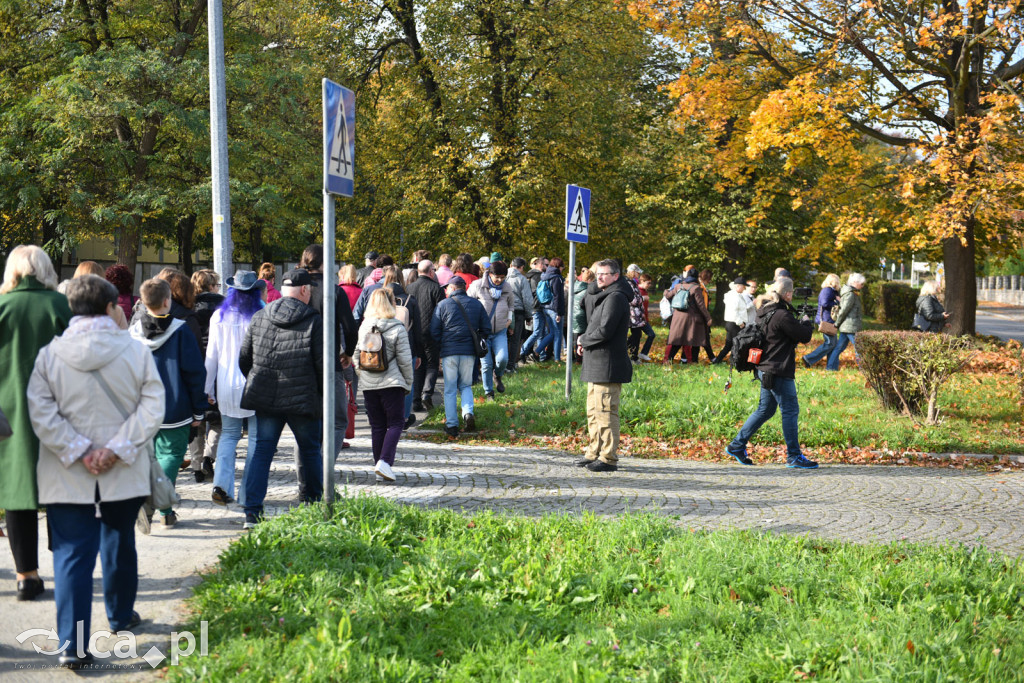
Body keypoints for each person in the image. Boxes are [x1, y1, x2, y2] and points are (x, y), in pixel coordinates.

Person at [27, 275, 164, 669]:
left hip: (66, 470)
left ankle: (72, 643)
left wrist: (79, 450)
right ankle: (120, 615)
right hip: (123, 468)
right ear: (110, 307)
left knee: (71, 553)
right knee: (119, 537)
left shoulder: (49, 355)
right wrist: (117, 450)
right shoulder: (135, 352)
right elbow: (152, 406)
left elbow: (40, 410)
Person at [0, 245, 72, 601]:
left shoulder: (1, 307)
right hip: (58, 410)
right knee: (61, 491)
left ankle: (26, 575)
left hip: (8, 413)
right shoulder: (59, 306)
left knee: (18, 493)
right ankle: (67, 567)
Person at [239, 268, 323, 529]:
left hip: (266, 397)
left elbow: (244, 359)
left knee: (261, 451)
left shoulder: (260, 316)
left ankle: (252, 512)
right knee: (310, 451)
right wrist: (319, 394)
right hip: (302, 398)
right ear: (305, 291)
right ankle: (314, 504)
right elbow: (322, 365)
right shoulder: (314, 320)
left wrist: (259, 380)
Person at [129, 278, 207, 527]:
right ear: (167, 301)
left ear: (142, 302)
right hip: (175, 406)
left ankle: (157, 506)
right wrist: (199, 410)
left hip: (140, 407)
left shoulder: (132, 332)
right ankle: (160, 505)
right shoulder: (181, 330)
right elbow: (195, 373)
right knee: (171, 455)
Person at [725, 278, 818, 469]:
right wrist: (807, 322)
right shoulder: (782, 315)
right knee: (790, 411)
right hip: (778, 370)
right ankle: (793, 456)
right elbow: (804, 336)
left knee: (765, 410)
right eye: (791, 293)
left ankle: (736, 445)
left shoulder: (764, 311)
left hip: (764, 369)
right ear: (788, 294)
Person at [205, 270, 266, 506]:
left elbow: (211, 356)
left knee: (229, 435)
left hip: (227, 384)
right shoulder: (260, 314)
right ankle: (247, 493)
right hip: (254, 382)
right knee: (256, 441)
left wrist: (207, 388)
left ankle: (221, 485)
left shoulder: (219, 316)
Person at [299, 244, 358, 484]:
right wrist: (349, 353)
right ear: (325, 262)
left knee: (306, 427)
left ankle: (305, 482)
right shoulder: (334, 291)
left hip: (301, 363)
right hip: (330, 361)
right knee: (337, 421)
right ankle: (322, 472)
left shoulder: (297, 288)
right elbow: (350, 327)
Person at [574, 260, 633, 473]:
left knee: (606, 413)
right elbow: (590, 307)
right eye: (597, 273)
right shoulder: (602, 294)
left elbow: (605, 330)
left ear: (616, 276)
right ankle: (594, 452)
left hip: (608, 363)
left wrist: (583, 341)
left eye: (605, 274)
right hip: (595, 361)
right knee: (593, 412)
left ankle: (608, 458)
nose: (599, 278)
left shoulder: (616, 298)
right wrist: (585, 341)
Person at [354, 288, 414, 482]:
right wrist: (408, 382)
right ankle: (385, 462)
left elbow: (356, 356)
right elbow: (405, 360)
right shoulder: (397, 328)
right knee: (396, 423)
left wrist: (362, 375)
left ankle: (379, 465)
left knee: (377, 426)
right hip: (392, 383)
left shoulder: (364, 327)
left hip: (369, 385)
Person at [431, 276, 489, 437]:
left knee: (449, 389)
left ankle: (451, 425)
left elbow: (434, 330)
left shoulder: (443, 305)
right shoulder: (476, 304)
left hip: (449, 352)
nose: (445, 290)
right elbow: (486, 328)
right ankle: (467, 413)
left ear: (452, 288)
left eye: (446, 288)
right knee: (465, 386)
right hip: (469, 352)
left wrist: (441, 347)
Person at [188, 269, 224, 483]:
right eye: (217, 285)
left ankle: (196, 465)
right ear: (212, 286)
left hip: (195, 364)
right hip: (218, 366)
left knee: (197, 419)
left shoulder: (189, 306)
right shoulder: (224, 305)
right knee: (219, 420)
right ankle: (210, 455)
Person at [468, 261, 514, 400]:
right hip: (482, 332)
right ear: (490, 274)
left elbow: (511, 306)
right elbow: (468, 304)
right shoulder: (477, 286)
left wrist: (510, 320)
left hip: (500, 330)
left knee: (503, 359)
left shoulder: (507, 288)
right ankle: (489, 392)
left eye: (502, 277)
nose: (499, 280)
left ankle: (498, 375)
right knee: (486, 364)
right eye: (497, 277)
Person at [406, 259, 445, 410]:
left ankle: (416, 401)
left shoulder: (409, 288)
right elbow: (442, 312)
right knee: (432, 364)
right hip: (431, 333)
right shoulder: (436, 288)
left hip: (413, 332)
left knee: (417, 365)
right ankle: (427, 393)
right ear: (431, 272)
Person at [662, 269, 711, 364]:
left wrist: (666, 291)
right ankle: (694, 361)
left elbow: (668, 295)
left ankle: (668, 360)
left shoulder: (678, 286)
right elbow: (701, 305)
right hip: (691, 318)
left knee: (678, 340)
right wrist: (708, 317)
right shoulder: (696, 288)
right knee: (696, 339)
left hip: (677, 317)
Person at [826, 272, 866, 371]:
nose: (862, 286)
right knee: (859, 348)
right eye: (861, 284)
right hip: (850, 327)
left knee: (839, 348)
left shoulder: (850, 293)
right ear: (855, 282)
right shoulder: (850, 295)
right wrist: (837, 324)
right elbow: (843, 311)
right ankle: (863, 369)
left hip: (847, 326)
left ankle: (830, 367)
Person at [801, 273, 842, 368]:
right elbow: (824, 303)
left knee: (833, 344)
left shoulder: (831, 291)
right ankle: (809, 358)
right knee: (830, 343)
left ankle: (832, 367)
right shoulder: (827, 290)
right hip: (826, 320)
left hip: (829, 319)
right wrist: (836, 302)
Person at [714, 277, 755, 364]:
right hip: (735, 324)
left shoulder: (735, 295)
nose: (744, 288)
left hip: (733, 323)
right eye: (743, 286)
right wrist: (740, 323)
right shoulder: (734, 297)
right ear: (738, 286)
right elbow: (734, 312)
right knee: (735, 344)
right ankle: (733, 361)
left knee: (730, 344)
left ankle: (721, 361)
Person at [519, 256, 549, 363]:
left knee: (541, 332)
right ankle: (523, 351)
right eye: (544, 264)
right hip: (538, 307)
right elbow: (539, 294)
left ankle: (541, 355)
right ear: (538, 264)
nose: (546, 266)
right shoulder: (538, 277)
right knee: (537, 332)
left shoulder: (528, 276)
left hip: (534, 307)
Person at [505, 257, 531, 373]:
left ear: (511, 265)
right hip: (518, 311)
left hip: (504, 310)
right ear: (521, 267)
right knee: (516, 339)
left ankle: (502, 364)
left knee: (504, 339)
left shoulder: (503, 276)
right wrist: (528, 315)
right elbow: (527, 299)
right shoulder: (522, 279)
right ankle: (511, 365)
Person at [538, 257, 566, 362]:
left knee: (552, 333)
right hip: (554, 310)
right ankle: (557, 359)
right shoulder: (556, 278)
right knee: (558, 334)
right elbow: (557, 296)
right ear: (559, 267)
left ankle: (537, 350)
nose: (563, 269)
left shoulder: (545, 276)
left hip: (545, 308)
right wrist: (559, 312)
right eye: (562, 267)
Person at [624, 265, 654, 363]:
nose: (639, 274)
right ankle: (632, 356)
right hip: (633, 315)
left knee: (637, 335)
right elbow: (632, 300)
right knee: (636, 335)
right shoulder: (629, 284)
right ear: (633, 272)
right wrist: (642, 299)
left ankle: (633, 356)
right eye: (637, 272)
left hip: (637, 314)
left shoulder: (633, 283)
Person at [571, 265, 596, 361]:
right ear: (590, 279)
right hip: (583, 316)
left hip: (574, 316)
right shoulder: (587, 290)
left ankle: (574, 358)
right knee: (581, 338)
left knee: (575, 338)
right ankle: (580, 359)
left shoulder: (576, 287)